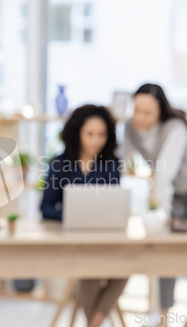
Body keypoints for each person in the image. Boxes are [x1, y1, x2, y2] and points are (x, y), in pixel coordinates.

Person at [120, 83, 187, 326]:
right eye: (137, 111)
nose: (140, 118)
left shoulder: (175, 128)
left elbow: (164, 173)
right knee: (167, 249)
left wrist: (159, 210)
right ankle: (163, 316)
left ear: (160, 111)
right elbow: (122, 162)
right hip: (176, 192)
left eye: (148, 113)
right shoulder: (130, 127)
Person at [40, 105, 128, 327]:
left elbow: (112, 202)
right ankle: (95, 321)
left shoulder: (112, 164)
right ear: (77, 133)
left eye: (101, 134)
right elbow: (46, 207)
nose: (96, 140)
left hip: (105, 238)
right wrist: (69, 217)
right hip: (73, 240)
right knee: (92, 265)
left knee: (127, 263)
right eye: (90, 134)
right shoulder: (60, 164)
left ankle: (93, 322)